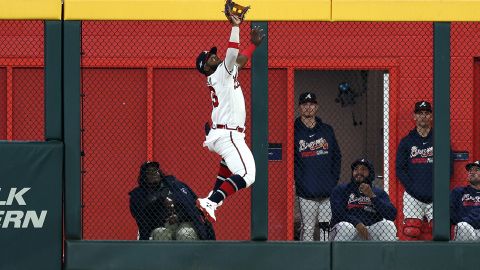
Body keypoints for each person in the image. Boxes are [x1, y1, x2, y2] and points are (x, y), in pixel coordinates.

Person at [194, 12, 265, 222]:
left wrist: (253, 45)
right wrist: (235, 27)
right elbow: (233, 54)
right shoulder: (218, 73)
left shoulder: (223, 73)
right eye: (210, 58)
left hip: (223, 132)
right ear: (205, 67)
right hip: (229, 133)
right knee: (247, 175)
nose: (215, 56)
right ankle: (212, 200)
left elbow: (239, 61)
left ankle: (212, 196)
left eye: (214, 54)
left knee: (229, 165)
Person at [294, 91, 341, 241]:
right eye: (304, 104)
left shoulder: (327, 130)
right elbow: (292, 160)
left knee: (326, 229)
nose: (308, 107)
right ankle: (305, 263)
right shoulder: (294, 131)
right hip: (306, 192)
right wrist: (300, 183)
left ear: (317, 107)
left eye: (311, 104)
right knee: (307, 229)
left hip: (327, 192)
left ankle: (325, 263)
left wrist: (332, 181)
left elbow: (337, 156)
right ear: (300, 107)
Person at [129, 161, 215, 240]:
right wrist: (160, 200)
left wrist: (178, 216)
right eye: (150, 172)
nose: (154, 174)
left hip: (183, 221)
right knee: (160, 234)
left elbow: (192, 206)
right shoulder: (139, 194)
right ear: (144, 176)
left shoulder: (175, 186)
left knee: (185, 233)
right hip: (160, 225)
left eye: (156, 170)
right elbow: (142, 216)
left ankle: (189, 257)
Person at [330, 158, 397, 241]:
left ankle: (388, 254)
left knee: (388, 225)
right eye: (356, 169)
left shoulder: (378, 192)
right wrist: (356, 223)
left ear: (370, 173)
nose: (359, 172)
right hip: (348, 229)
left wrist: (372, 196)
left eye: (363, 169)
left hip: (369, 231)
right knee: (346, 227)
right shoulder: (341, 189)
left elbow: (392, 215)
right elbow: (338, 213)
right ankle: (339, 254)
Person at [451, 160, 480, 241]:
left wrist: (465, 217)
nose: (471, 172)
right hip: (466, 230)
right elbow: (450, 215)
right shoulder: (458, 192)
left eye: (476, 170)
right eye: (470, 170)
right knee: (462, 225)